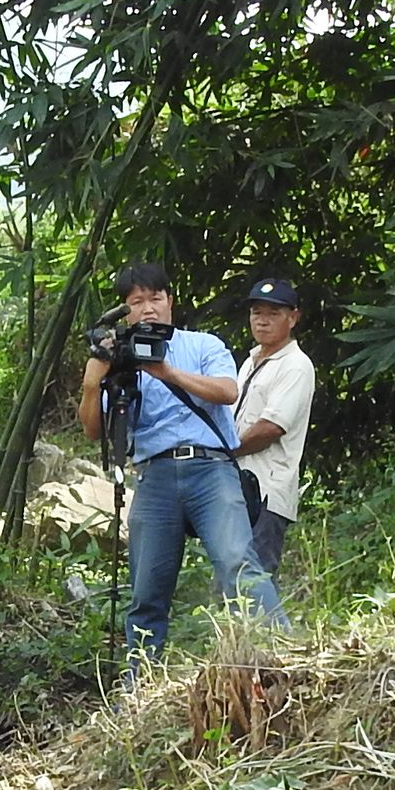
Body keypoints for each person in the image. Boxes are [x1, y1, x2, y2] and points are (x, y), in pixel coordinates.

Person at [80, 262, 285, 667]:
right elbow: (92, 430)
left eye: (155, 298)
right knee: (146, 588)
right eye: (137, 302)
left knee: (236, 560)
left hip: (210, 468)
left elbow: (228, 392)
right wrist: (92, 382)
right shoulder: (118, 360)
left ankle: (282, 654)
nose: (148, 309)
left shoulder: (202, 345)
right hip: (153, 475)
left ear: (170, 301)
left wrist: (168, 372)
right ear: (125, 311)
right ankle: (139, 686)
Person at [233, 274, 316, 575]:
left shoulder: (296, 365)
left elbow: (270, 428)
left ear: (293, 318)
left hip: (266, 491)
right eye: (257, 312)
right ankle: (230, 625)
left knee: (255, 575)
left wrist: (223, 451)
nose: (263, 321)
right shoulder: (250, 360)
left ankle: (265, 624)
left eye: (274, 313)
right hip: (238, 484)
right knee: (232, 571)